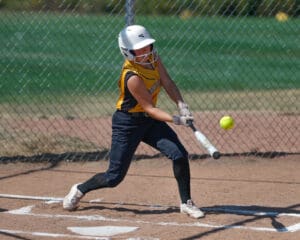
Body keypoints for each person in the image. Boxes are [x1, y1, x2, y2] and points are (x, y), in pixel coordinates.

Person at [63, 25, 204, 219]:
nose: (146, 52)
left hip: (149, 122)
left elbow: (167, 82)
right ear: (127, 52)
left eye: (148, 46)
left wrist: (181, 103)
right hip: (127, 123)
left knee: (179, 154)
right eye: (140, 49)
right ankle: (80, 189)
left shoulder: (154, 59)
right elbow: (150, 108)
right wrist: (177, 119)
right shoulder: (131, 77)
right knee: (113, 178)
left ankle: (186, 202)